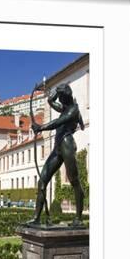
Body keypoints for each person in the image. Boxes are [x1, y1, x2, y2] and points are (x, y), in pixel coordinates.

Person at [30, 83, 85, 226]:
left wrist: (41, 127)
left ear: (65, 97)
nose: (59, 101)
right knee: (42, 180)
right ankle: (36, 218)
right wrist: (49, 100)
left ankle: (78, 219)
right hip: (58, 148)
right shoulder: (66, 107)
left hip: (67, 145)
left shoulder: (73, 110)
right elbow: (56, 106)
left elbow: (58, 121)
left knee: (74, 181)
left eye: (60, 98)